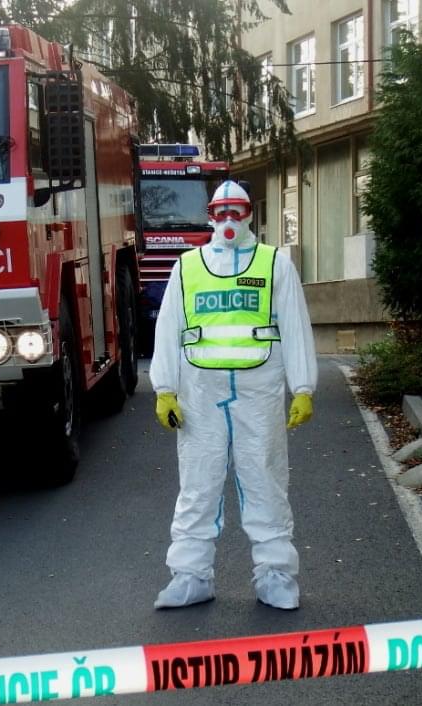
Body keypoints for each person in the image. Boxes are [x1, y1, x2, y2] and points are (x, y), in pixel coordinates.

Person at [149, 180, 317, 610]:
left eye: (236, 211)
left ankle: (276, 574)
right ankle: (190, 575)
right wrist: (165, 388)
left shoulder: (275, 263)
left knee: (265, 479)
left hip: (259, 390)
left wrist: (303, 387)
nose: (228, 220)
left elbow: (294, 325)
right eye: (221, 212)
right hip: (199, 392)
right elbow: (168, 328)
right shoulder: (187, 267)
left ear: (249, 214)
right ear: (210, 216)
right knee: (197, 484)